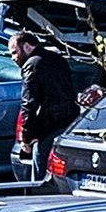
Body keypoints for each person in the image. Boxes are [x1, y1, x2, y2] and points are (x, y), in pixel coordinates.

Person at [16, 26, 85, 176]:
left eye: (15, 52)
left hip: (47, 127)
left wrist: (26, 137)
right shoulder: (57, 59)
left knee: (40, 173)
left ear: (27, 46)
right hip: (68, 122)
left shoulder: (32, 65)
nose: (13, 58)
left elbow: (29, 103)